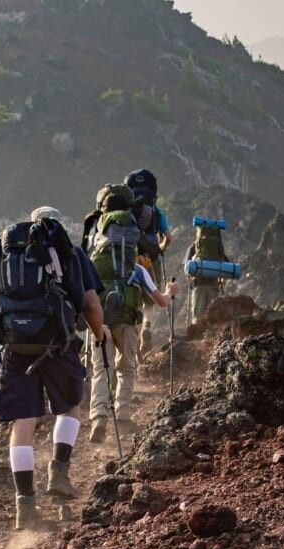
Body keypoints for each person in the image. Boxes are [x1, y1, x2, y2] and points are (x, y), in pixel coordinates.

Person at [0, 209, 110, 531]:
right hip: (57, 345)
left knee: (22, 424)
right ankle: (59, 473)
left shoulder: (3, 253)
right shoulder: (69, 253)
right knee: (69, 409)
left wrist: (14, 332)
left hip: (16, 349)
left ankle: (25, 506)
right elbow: (91, 304)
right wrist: (98, 333)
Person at [83, 185, 176, 443]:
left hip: (99, 319)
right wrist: (171, 291)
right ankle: (122, 417)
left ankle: (99, 417)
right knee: (127, 368)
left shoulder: (93, 259)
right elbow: (160, 301)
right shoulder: (136, 267)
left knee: (102, 369)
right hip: (128, 320)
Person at [125, 169, 173, 358]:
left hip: (129, 258)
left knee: (132, 300)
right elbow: (168, 237)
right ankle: (147, 326)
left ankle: (134, 336)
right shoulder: (156, 212)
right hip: (150, 259)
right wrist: (160, 248)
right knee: (150, 300)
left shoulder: (126, 212)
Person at [186, 217, 231, 326]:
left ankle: (197, 338)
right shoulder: (218, 248)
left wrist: (189, 278)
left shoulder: (194, 247)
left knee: (198, 317)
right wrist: (222, 280)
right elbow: (226, 266)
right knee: (213, 316)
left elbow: (187, 268)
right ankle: (211, 339)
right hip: (213, 285)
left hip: (198, 285)